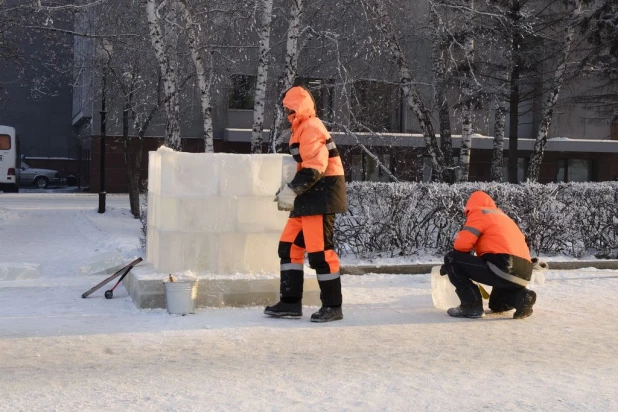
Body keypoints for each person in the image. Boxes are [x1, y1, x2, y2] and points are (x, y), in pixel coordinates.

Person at [264, 86, 347, 323]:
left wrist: (292, 189)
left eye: (288, 107)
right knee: (289, 248)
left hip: (321, 195)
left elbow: (315, 167)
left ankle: (332, 306)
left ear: (297, 107)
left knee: (320, 253)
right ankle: (289, 304)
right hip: (309, 196)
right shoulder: (300, 128)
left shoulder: (311, 127)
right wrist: (288, 189)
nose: (285, 112)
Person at [440, 190, 537, 319]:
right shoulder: (504, 217)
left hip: (502, 265)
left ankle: (471, 305)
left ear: (470, 206)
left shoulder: (479, 213)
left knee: (451, 258)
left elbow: (461, 246)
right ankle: (522, 298)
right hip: (524, 273)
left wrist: (451, 266)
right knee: (497, 305)